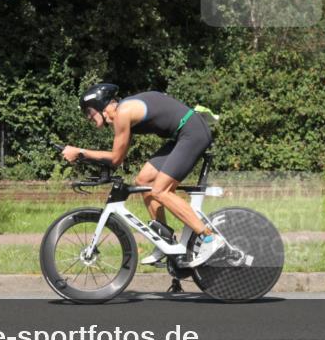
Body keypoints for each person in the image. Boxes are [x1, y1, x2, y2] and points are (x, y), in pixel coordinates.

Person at [60, 83, 225, 267]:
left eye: (88, 112)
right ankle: (165, 241)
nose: (88, 117)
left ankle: (210, 238)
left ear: (100, 105)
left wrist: (80, 152)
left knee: (160, 191)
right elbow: (118, 157)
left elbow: (115, 158)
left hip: (192, 132)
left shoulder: (123, 113)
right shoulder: (123, 114)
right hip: (182, 135)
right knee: (143, 180)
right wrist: (84, 156)